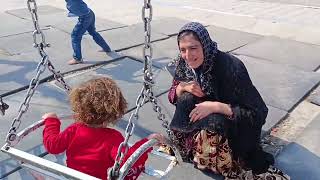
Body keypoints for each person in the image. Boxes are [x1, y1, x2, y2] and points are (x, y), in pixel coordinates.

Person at [167, 22, 290, 179]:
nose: (188, 55)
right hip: (202, 121)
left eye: (193, 48)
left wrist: (217, 106)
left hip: (231, 128)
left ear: (204, 45)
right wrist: (181, 88)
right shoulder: (183, 64)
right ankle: (191, 148)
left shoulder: (231, 67)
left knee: (215, 124)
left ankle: (225, 160)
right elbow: (173, 95)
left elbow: (257, 113)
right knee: (185, 98)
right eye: (183, 50)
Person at [42, 77, 165, 180]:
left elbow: (53, 145)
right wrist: (146, 142)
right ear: (113, 113)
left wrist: (51, 121)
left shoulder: (74, 129)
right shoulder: (112, 137)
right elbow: (128, 160)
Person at [65, 0, 112, 65]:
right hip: (90, 13)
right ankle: (106, 48)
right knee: (92, 32)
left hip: (85, 17)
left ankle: (77, 58)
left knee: (75, 36)